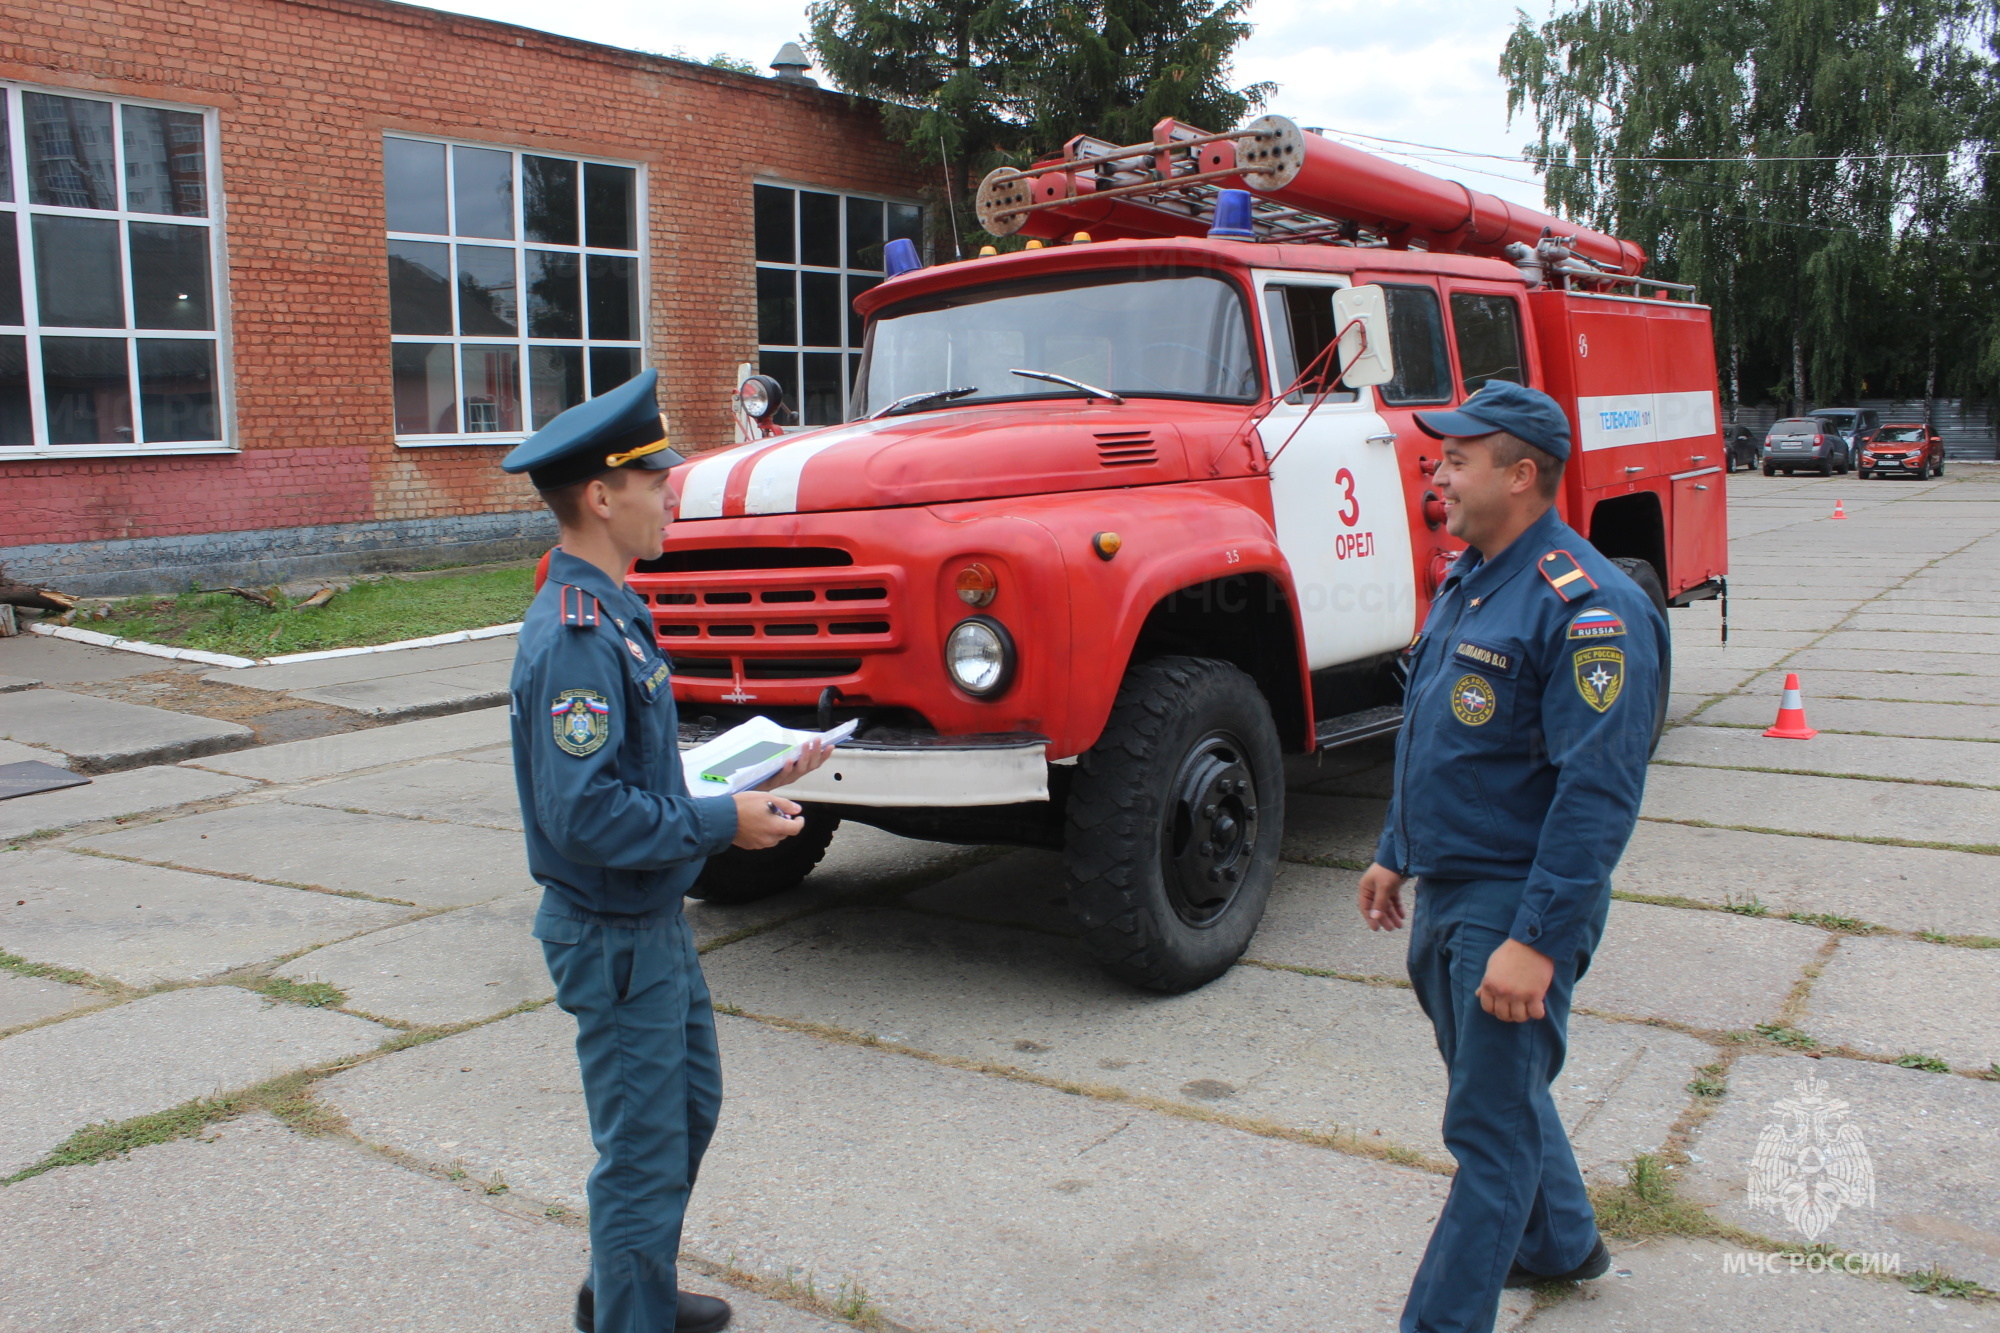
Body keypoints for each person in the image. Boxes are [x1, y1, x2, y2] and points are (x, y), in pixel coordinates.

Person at [502, 369, 830, 1333]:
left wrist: (747, 777)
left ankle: (625, 1289)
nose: (667, 496)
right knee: (642, 1151)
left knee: (684, 1114)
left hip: (647, 917)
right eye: (652, 482)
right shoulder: (574, 638)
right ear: (601, 498)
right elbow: (587, 816)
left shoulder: (613, 610)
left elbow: (636, 778)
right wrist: (725, 825)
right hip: (612, 928)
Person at [1355, 380, 1665, 1333]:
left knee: (1485, 1136)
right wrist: (1394, 849)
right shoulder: (1473, 574)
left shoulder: (1589, 608)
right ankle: (1562, 1242)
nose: (1436, 470)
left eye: (1458, 457)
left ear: (1521, 474)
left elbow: (1597, 793)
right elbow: (1436, 731)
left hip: (1514, 904)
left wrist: (1537, 938)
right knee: (1501, 1093)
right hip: (1449, 890)